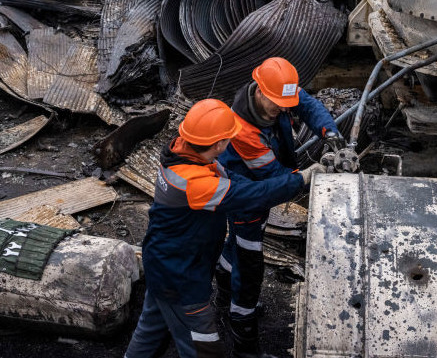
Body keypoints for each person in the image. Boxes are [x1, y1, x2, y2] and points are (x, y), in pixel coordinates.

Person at [124, 99, 319, 358]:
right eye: (229, 138)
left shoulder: (184, 151)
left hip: (164, 263)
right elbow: (248, 195)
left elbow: (230, 179)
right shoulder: (194, 183)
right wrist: (300, 180)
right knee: (203, 347)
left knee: (150, 331)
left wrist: (289, 179)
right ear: (219, 144)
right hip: (181, 277)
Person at [215, 57, 344, 357]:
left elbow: (307, 104)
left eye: (285, 102)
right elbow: (274, 179)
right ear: (259, 90)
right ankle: (244, 340)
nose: (283, 109)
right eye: (276, 103)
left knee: (233, 246)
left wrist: (330, 133)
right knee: (249, 270)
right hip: (247, 200)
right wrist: (309, 176)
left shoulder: (279, 92)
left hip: (255, 195)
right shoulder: (244, 130)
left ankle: (222, 292)